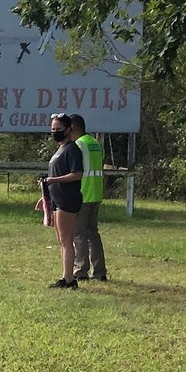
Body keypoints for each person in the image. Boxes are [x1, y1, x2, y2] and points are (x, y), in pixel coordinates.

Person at [40, 112, 84, 289]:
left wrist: (54, 180)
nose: (55, 132)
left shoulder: (72, 149)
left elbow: (77, 174)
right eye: (52, 129)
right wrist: (45, 197)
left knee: (66, 240)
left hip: (67, 199)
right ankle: (65, 276)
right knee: (61, 240)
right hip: (56, 199)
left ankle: (69, 279)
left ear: (69, 129)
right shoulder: (59, 150)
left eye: (58, 129)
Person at [70, 114, 107, 281]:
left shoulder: (78, 145)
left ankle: (80, 271)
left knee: (79, 234)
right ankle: (100, 272)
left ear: (74, 128)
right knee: (93, 234)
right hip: (96, 193)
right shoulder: (95, 143)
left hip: (83, 194)